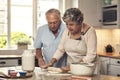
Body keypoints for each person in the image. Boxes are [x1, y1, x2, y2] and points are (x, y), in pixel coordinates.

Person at [42, 8, 97, 72]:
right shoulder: (67, 31)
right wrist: (51, 62)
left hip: (86, 69)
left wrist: (73, 66)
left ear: (80, 23)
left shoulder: (89, 31)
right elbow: (60, 50)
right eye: (67, 24)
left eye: (71, 24)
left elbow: (91, 55)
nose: (68, 27)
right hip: (70, 68)